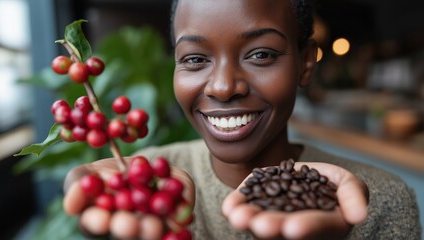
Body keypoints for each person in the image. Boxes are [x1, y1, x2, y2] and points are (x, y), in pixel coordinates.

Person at [63, 0, 421, 239]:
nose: (222, 87)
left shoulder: (382, 202)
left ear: (306, 63)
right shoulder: (143, 184)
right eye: (194, 59)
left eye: (261, 54)